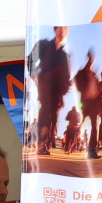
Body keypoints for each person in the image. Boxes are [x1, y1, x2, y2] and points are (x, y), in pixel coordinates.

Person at [32, 26, 71, 155]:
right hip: (45, 84)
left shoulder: (65, 55)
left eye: (66, 30)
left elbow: (66, 76)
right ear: (55, 29)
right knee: (45, 109)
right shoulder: (43, 45)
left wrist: (62, 94)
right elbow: (30, 60)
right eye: (61, 28)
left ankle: (45, 142)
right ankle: (40, 144)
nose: (64, 32)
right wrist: (35, 76)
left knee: (53, 116)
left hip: (57, 91)